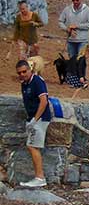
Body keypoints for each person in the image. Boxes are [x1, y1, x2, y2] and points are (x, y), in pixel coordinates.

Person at [16, 59, 52, 188]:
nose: (22, 74)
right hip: (33, 118)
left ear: (30, 70)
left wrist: (35, 119)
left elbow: (43, 101)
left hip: (40, 118)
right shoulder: (24, 84)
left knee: (32, 146)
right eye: (19, 72)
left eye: (24, 71)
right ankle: (39, 176)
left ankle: (40, 177)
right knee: (31, 145)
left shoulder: (37, 81)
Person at [58, 0, 89, 66]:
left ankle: (81, 77)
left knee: (81, 62)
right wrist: (67, 29)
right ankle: (73, 77)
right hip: (70, 40)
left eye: (77, 0)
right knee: (71, 61)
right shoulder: (67, 9)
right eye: (73, 0)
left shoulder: (87, 10)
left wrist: (77, 26)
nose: (75, 2)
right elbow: (60, 21)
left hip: (83, 40)